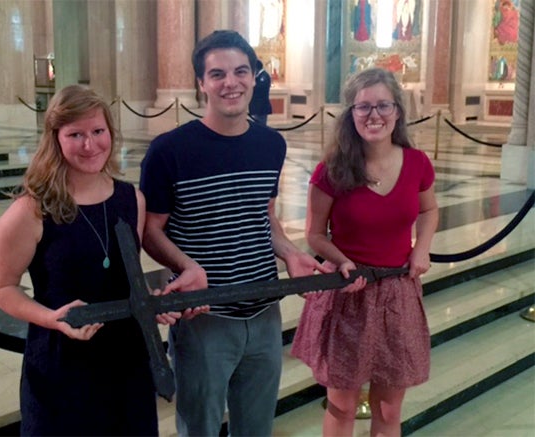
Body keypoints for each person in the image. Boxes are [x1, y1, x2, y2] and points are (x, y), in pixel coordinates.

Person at [139, 30, 326, 436]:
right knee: (200, 425)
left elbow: (265, 218)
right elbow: (150, 230)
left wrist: (291, 254)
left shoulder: (270, 144)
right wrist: (186, 265)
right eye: (218, 73)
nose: (231, 82)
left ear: (255, 76)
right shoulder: (169, 150)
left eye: (241, 71)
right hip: (204, 314)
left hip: (263, 309)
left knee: (256, 427)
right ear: (201, 83)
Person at [0, 84, 183, 436]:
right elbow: (1, 287)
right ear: (56, 138)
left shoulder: (131, 199)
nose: (90, 145)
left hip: (126, 360)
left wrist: (150, 302)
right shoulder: (32, 211)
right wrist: (51, 317)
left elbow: (125, 280)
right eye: (76, 134)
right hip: (62, 363)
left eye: (98, 131)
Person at [291, 67, 439, 437]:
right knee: (342, 406)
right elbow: (315, 233)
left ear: (398, 111)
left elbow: (429, 210)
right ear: (350, 114)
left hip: (397, 293)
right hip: (348, 294)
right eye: (363, 107)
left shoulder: (417, 163)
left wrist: (422, 248)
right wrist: (341, 260)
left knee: (389, 409)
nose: (374, 115)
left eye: (383, 105)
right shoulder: (333, 170)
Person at [249, 59, 272, 125]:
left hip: (261, 107)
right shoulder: (258, 76)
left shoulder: (264, 76)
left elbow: (260, 88)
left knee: (260, 126)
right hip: (256, 107)